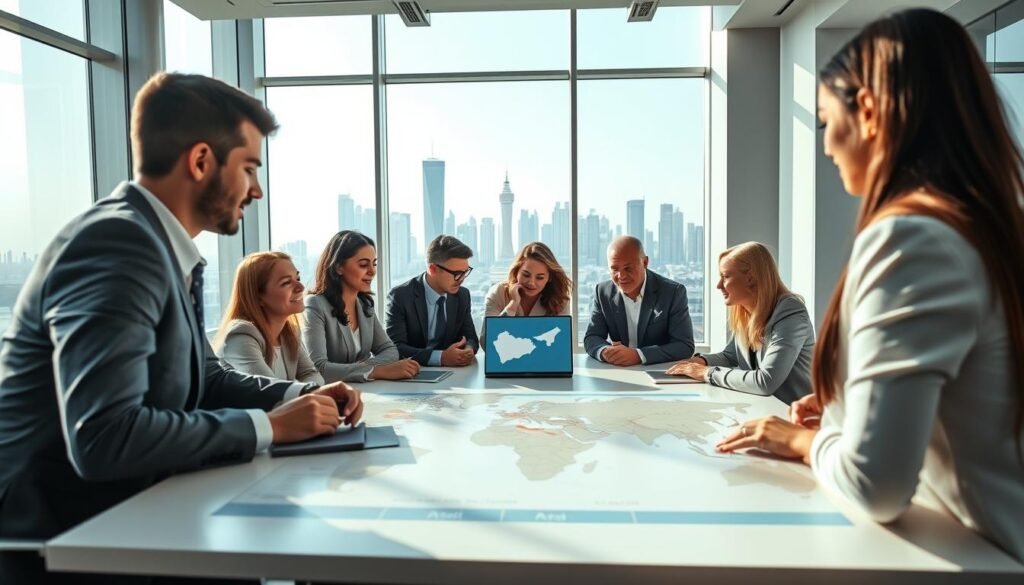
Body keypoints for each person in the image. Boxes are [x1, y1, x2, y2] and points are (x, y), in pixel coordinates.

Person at [0, 73, 362, 584]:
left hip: (133, 518)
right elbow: (104, 436)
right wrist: (272, 427)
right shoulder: (118, 244)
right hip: (66, 544)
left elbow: (207, 379)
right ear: (200, 162)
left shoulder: (158, 246)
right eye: (249, 168)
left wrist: (300, 393)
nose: (256, 189)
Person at [716, 9, 1024, 563]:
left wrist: (809, 441)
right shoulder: (986, 226)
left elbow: (874, 485)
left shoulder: (912, 239)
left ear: (868, 111)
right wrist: (846, 411)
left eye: (827, 121)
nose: (828, 146)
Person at [666, 242, 813, 405]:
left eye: (725, 276)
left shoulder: (790, 313)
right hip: (764, 409)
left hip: (795, 417)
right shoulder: (748, 313)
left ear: (750, 278)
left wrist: (706, 373)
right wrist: (699, 362)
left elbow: (766, 382)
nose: (718, 285)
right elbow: (730, 356)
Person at [303, 231, 419, 382]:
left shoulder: (365, 304)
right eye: (363, 264)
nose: (372, 271)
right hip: (332, 395)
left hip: (366, 389)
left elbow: (389, 350)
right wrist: (374, 371)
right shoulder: (315, 304)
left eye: (374, 264)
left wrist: (365, 368)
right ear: (339, 267)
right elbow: (319, 368)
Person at [215, 251, 324, 384]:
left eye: (298, 279)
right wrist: (310, 393)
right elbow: (271, 391)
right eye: (286, 283)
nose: (301, 287)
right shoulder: (240, 335)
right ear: (257, 296)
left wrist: (310, 393)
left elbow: (311, 373)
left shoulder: (289, 332)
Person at [583, 235, 694, 366]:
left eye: (628, 268)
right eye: (614, 269)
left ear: (645, 262)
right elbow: (592, 337)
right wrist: (605, 351)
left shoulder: (673, 292)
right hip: (619, 371)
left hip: (658, 371)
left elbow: (684, 346)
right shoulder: (603, 292)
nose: (621, 276)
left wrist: (639, 355)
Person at [385, 235, 479, 367]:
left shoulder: (462, 295)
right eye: (457, 273)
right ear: (433, 269)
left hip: (453, 373)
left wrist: (468, 350)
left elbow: (470, 337)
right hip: (413, 373)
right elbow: (395, 348)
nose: (462, 279)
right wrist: (441, 358)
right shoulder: (400, 296)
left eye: (465, 272)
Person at [484, 242, 572, 317]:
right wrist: (513, 305)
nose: (531, 283)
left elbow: (562, 336)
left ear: (550, 278)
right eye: (526, 275)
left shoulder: (559, 299)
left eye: (540, 278)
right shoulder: (498, 293)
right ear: (516, 272)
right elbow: (489, 335)